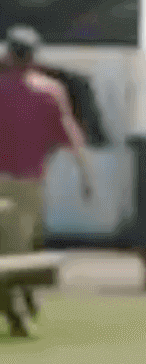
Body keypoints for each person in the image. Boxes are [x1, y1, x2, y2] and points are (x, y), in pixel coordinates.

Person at [0, 26, 92, 253]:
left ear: (7, 54)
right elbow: (71, 138)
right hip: (28, 184)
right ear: (33, 57)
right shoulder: (50, 92)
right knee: (20, 250)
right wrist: (87, 178)